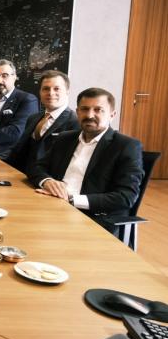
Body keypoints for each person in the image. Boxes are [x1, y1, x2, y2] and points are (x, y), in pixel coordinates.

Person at [27, 88, 143, 233]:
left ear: (112, 115)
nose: (89, 115)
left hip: (93, 218)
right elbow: (36, 167)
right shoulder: (65, 138)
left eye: (98, 110)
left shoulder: (126, 146)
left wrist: (71, 199)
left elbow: (126, 197)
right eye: (85, 109)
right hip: (52, 206)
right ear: (77, 112)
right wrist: (47, 181)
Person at [6, 70, 79, 173]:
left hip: (46, 178)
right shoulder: (33, 118)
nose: (51, 93)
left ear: (67, 91)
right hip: (20, 173)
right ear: (40, 92)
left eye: (56, 89)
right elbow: (18, 149)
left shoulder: (75, 122)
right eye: (46, 89)